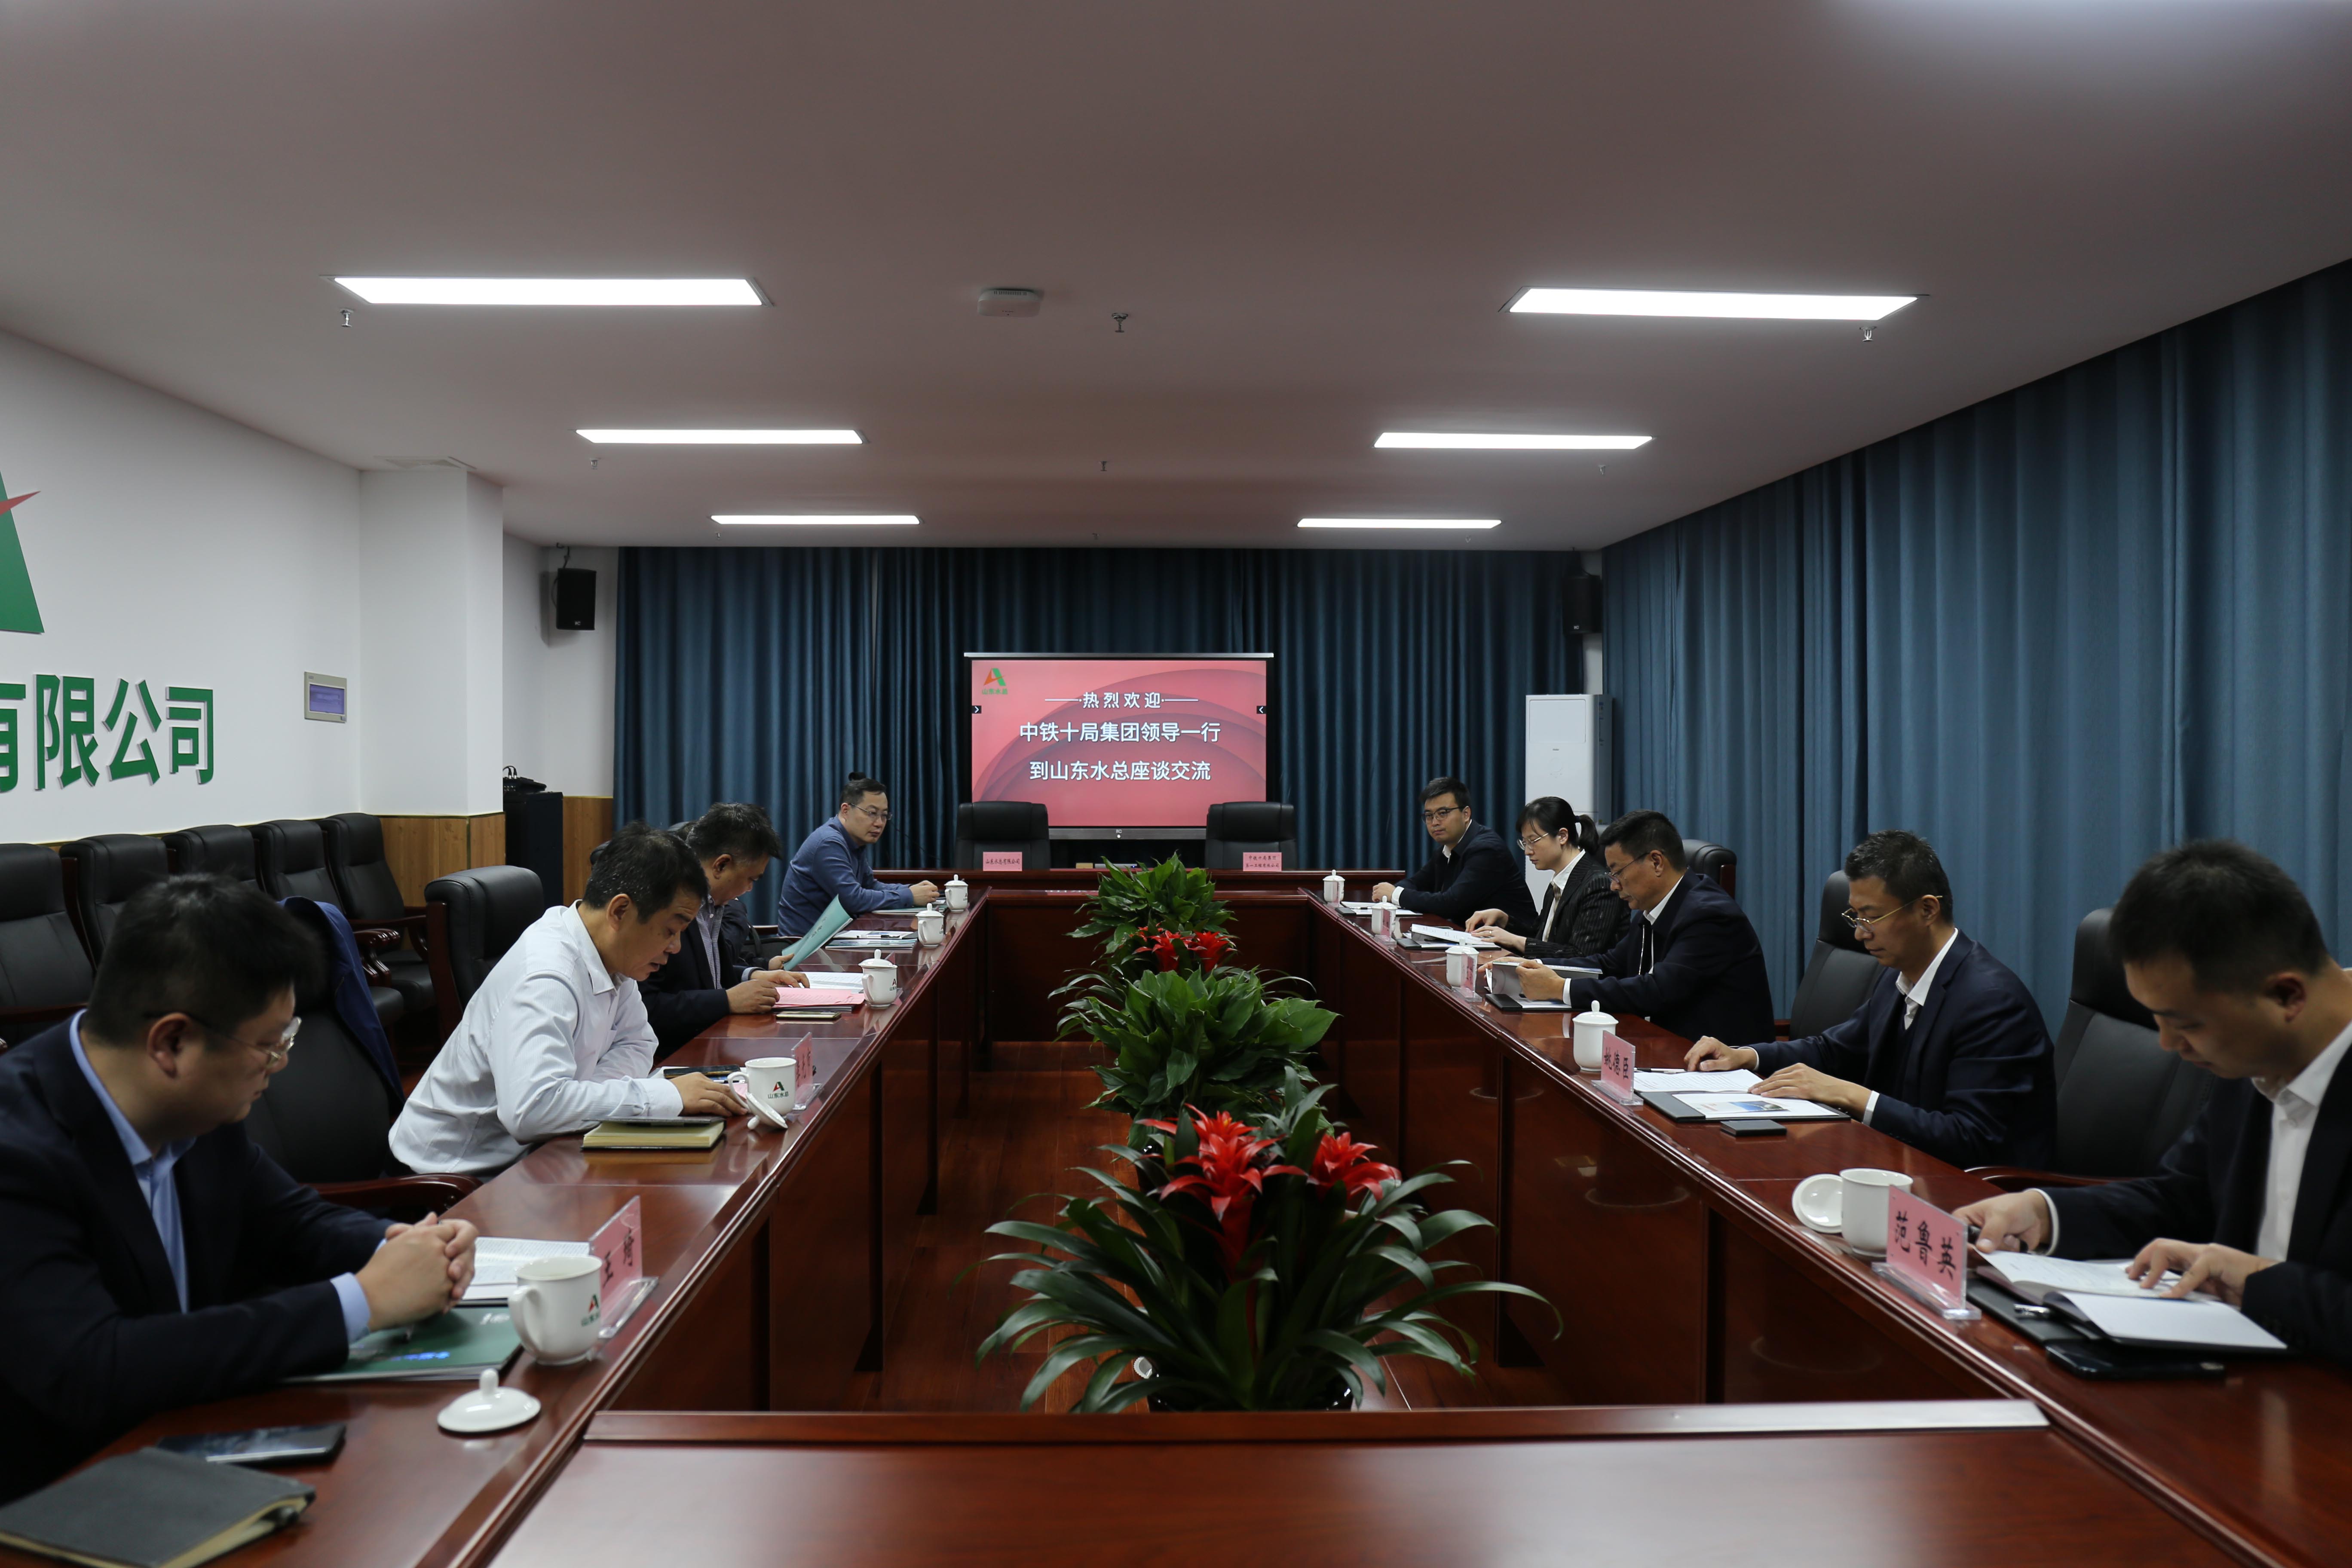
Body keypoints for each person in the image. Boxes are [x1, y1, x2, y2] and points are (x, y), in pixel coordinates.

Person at [0, 876, 477, 1501]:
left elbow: (291, 1222)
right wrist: (363, 1301)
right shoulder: (17, 1151)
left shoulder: (195, 1108)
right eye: (269, 1046)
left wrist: (399, 1245)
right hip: (63, 1494)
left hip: (190, 1437)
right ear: (172, 1042)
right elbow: (93, 1368)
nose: (281, 1064)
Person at [1957, 842, 2352, 1364]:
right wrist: (2044, 1214)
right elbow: (2181, 1199)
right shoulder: (2254, 1056)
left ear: (2287, 996)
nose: (2168, 1045)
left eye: (2186, 1024)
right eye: (2157, 1021)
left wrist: (2262, 1283)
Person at [392, 823, 749, 1176]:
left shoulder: (612, 954)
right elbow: (533, 1111)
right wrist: (664, 1097)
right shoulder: (546, 977)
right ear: (620, 911)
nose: (675, 947)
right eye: (671, 930)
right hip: (450, 1178)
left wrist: (584, 1097)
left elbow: (639, 1043)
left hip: (539, 1151)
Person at [1682, 830, 2055, 1168]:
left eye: (1872, 917)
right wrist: (1747, 1056)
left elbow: (1971, 1139)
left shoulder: (1991, 1003)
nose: (1860, 935)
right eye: (1855, 917)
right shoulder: (1898, 975)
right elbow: (1833, 1050)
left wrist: (1853, 1096)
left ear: (1927, 910)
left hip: (1973, 1195)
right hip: (1896, 1164)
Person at [1513, 809, 1773, 1046]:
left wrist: (1561, 988)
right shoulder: (1651, 910)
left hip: (1716, 1061)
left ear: (1656, 862)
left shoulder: (1709, 915)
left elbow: (1657, 991)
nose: (1614, 885)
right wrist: (1538, 966)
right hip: (1662, 1044)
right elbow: (1609, 964)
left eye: (1617, 872)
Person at [639, 802, 813, 1059]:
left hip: (710, 1042)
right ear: (721, 866)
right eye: (750, 879)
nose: (750, 889)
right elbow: (647, 1007)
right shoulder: (664, 905)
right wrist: (727, 1001)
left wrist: (754, 975)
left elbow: (707, 974)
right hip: (673, 1056)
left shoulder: (712, 906)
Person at [774, 772, 941, 937]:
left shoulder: (853, 841)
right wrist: (909, 896)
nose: (879, 823)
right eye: (872, 813)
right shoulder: (829, 842)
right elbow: (853, 900)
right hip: (805, 948)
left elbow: (870, 886)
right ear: (846, 810)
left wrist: (911, 890)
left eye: (884, 815)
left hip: (831, 939)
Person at [1466, 796, 1627, 961]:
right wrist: (1504, 920)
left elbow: (1580, 956)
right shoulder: (1559, 882)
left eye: (1533, 841)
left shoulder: (1599, 884)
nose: (1528, 851)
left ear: (1562, 836)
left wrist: (1516, 941)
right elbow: (1540, 937)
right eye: (1524, 843)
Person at [1371, 775, 1538, 930]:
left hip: (1515, 943)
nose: (1435, 822)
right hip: (1475, 939)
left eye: (1442, 814)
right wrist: (1393, 892)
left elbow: (1450, 904)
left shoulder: (1487, 850)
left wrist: (1395, 894)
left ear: (1466, 814)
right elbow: (1416, 883)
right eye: (1429, 816)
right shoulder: (1446, 850)